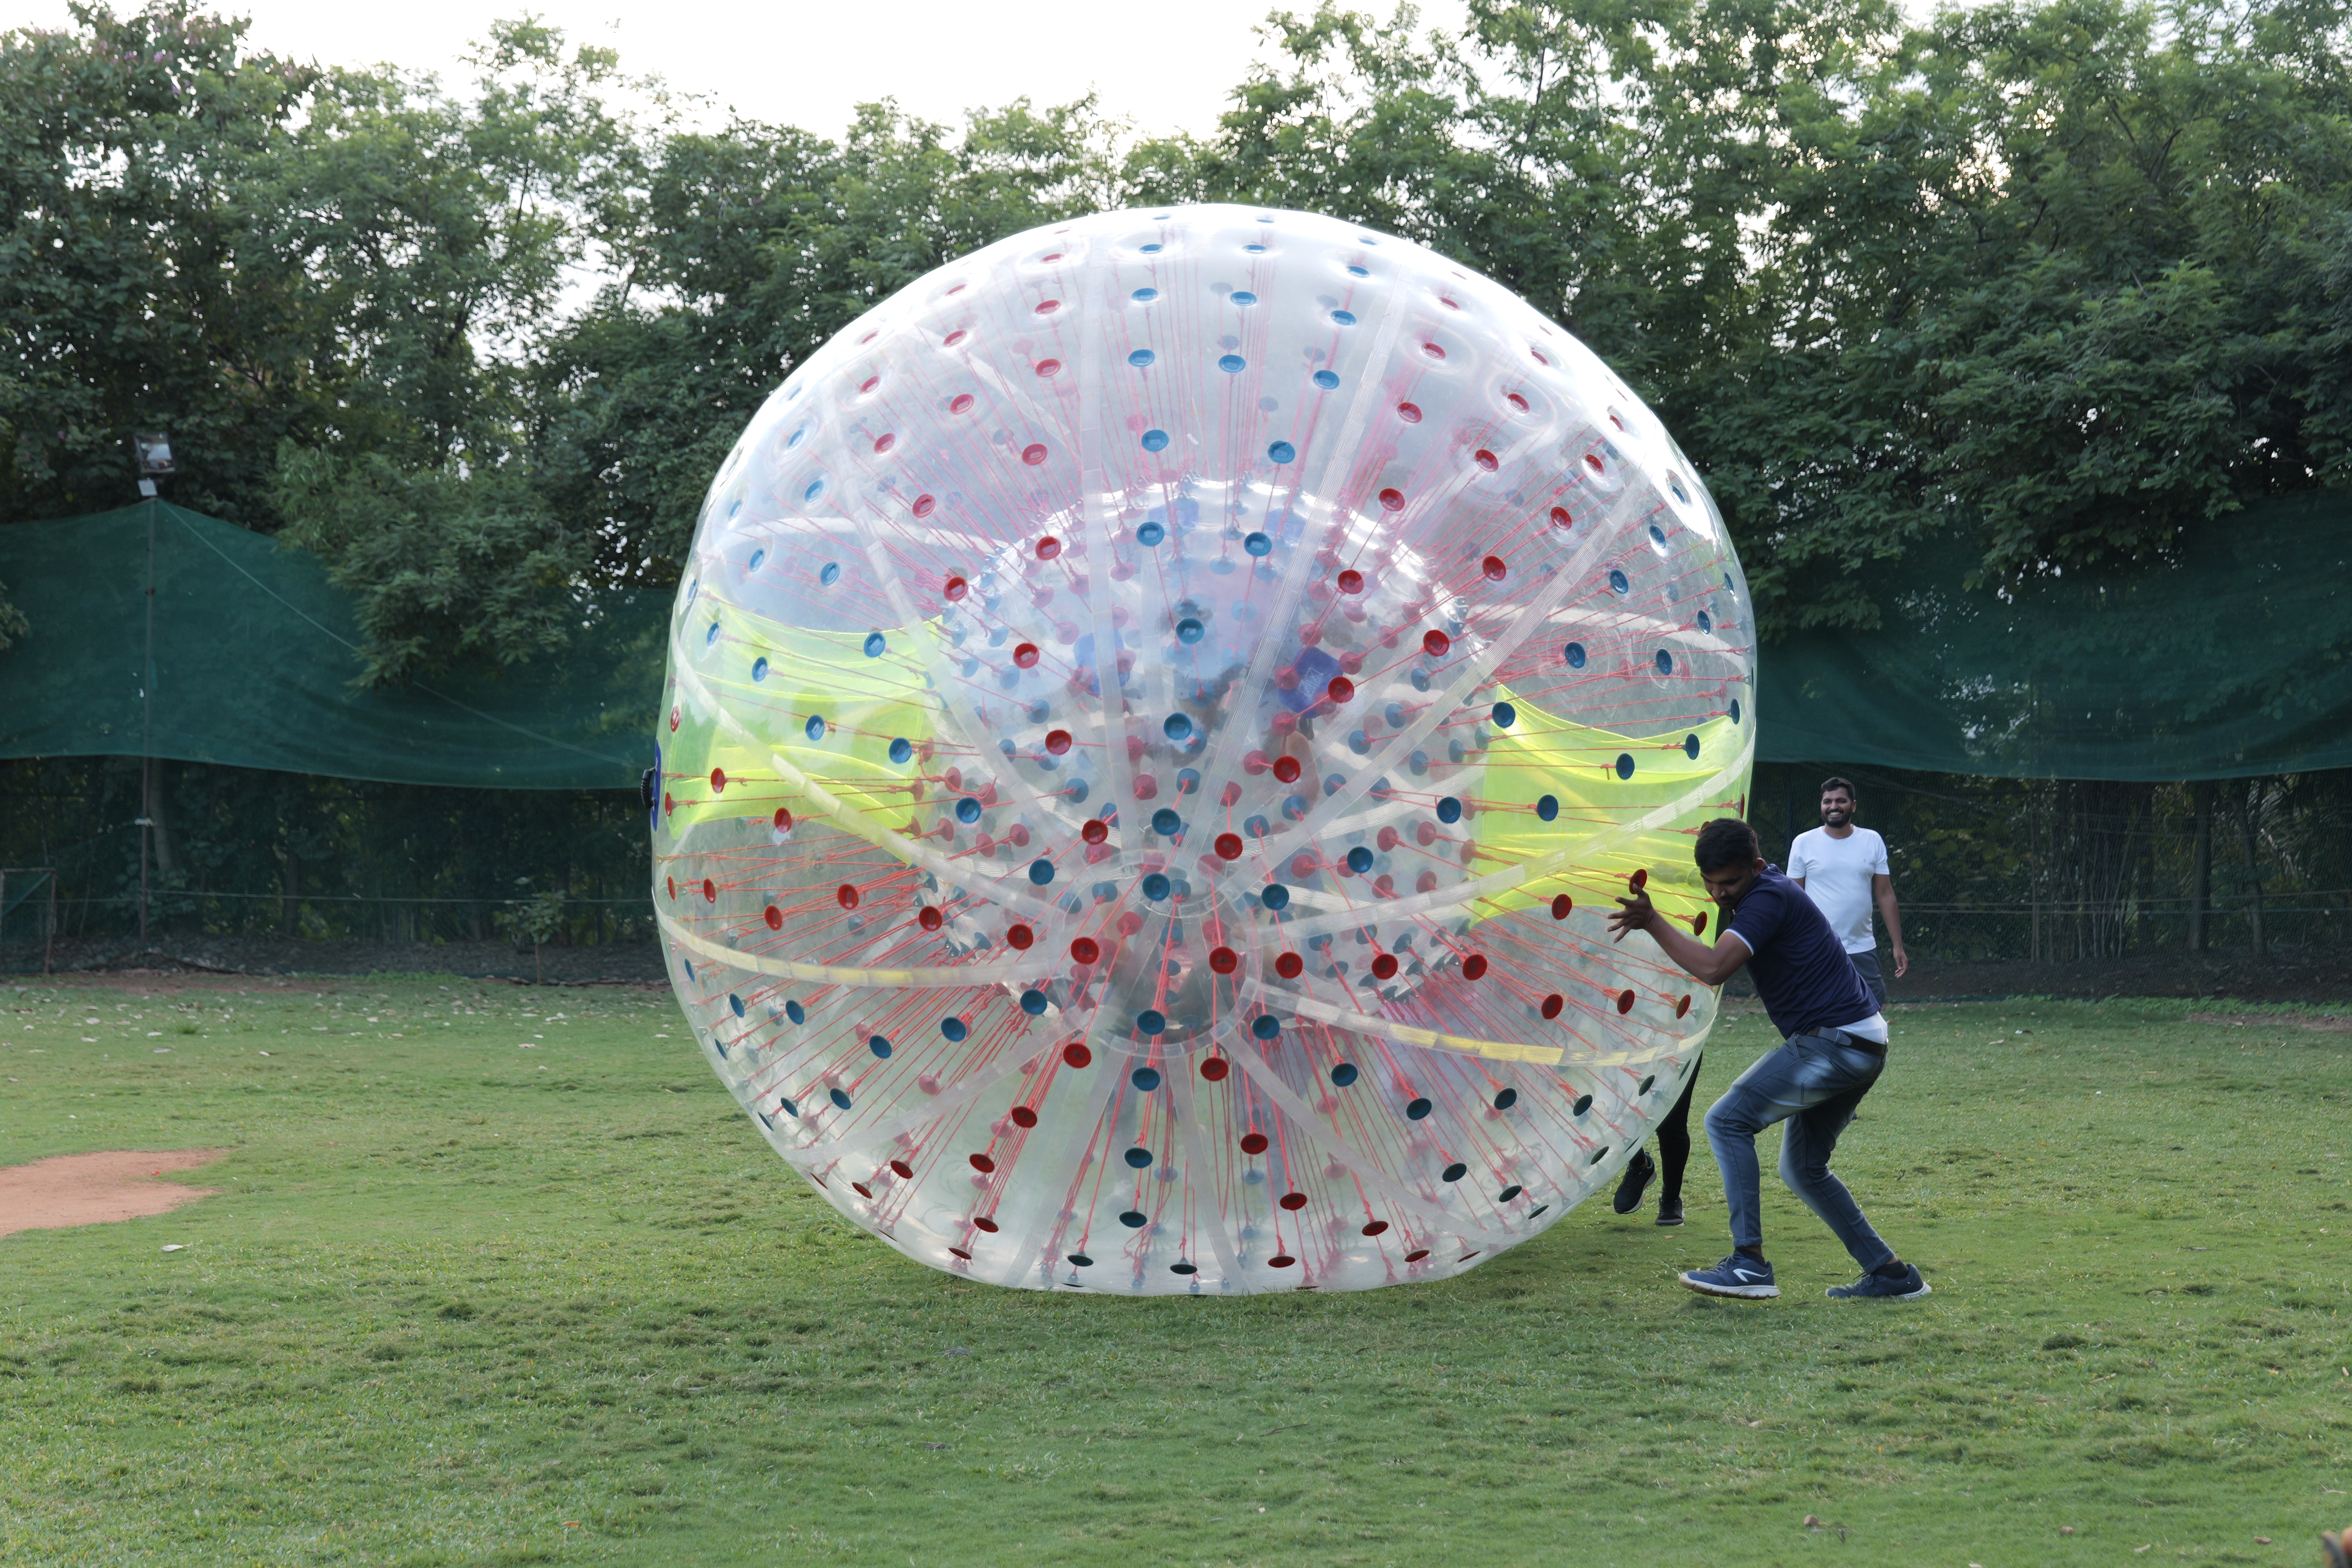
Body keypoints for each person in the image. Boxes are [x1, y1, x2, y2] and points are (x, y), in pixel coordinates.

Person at [1606, 817, 1928, 1302]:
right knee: (1803, 1168)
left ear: (1756, 867)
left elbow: (1714, 968)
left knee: (1727, 1121)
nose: (1719, 894)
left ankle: (1749, 1263)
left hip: (1835, 1042)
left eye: (1730, 882)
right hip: (1862, 1041)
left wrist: (1653, 920)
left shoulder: (1766, 898)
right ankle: (1890, 1273)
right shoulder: (1761, 891)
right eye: (1710, 884)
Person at [1787, 777, 1907, 1009]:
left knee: (1871, 1007)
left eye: (1840, 801)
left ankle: (1861, 1047)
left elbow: (1885, 894)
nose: (1833, 807)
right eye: (1827, 802)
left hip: (1862, 947)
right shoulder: (1803, 843)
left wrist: (1898, 945)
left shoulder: (1872, 840)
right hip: (1817, 947)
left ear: (1853, 805)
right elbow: (1793, 899)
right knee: (1818, 1011)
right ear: (1821, 806)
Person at [1607, 1067, 1696, 1226]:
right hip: (1620, 1048)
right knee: (1611, 1114)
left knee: (1672, 1123)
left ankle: (1671, 1200)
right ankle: (1639, 1165)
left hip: (1676, 1048)